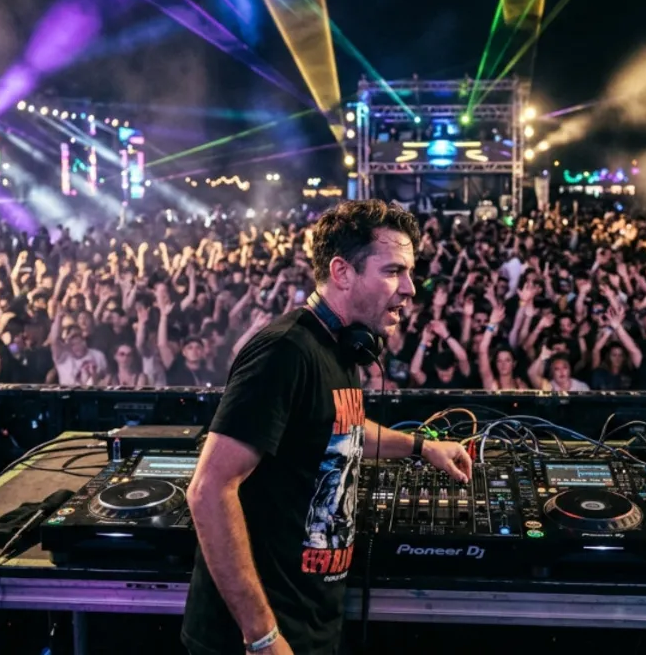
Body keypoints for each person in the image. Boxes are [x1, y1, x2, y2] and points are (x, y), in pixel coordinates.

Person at [181, 200, 473, 655]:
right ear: (342, 272)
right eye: (393, 271)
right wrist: (262, 636)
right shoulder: (284, 351)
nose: (410, 288)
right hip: (259, 634)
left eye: (410, 272)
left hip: (309, 618)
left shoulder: (342, 345)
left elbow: (338, 426)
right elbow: (209, 490)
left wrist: (421, 447)